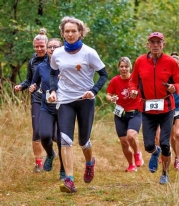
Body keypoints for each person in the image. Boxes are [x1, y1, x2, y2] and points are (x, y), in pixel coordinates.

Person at [48, 16, 108, 193]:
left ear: (80, 32)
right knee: (65, 139)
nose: (70, 34)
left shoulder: (89, 52)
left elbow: (103, 75)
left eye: (74, 31)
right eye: (67, 31)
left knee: (83, 141)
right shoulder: (57, 53)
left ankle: (90, 163)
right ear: (63, 33)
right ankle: (69, 180)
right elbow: (53, 73)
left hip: (85, 100)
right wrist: (53, 91)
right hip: (65, 99)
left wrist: (94, 91)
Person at [129, 32, 179, 184]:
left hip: (166, 108)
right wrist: (133, 91)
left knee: (166, 143)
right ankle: (155, 152)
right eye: (152, 42)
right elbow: (133, 81)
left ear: (163, 44)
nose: (155, 45)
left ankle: (165, 173)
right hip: (147, 109)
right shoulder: (140, 61)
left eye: (158, 42)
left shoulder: (170, 62)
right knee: (148, 145)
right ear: (148, 44)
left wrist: (174, 87)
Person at [29, 38, 65, 180]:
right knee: (44, 135)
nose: (52, 49)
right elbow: (35, 82)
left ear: (61, 49)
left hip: (64, 106)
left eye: (55, 47)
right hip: (46, 105)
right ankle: (50, 154)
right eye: (50, 47)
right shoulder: (41, 67)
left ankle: (63, 170)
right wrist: (33, 87)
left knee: (62, 140)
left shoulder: (66, 65)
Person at [14, 28, 48, 172]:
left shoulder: (52, 59)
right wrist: (21, 86)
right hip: (36, 99)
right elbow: (29, 79)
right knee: (37, 131)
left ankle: (53, 155)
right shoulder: (32, 60)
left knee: (51, 134)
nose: (39, 49)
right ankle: (39, 164)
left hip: (52, 99)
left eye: (42, 46)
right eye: (37, 46)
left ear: (47, 46)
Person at [106, 57, 144, 172]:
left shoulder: (136, 79)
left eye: (126, 66)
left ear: (130, 67)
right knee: (123, 141)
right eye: (121, 66)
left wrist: (136, 94)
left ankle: (137, 153)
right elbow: (108, 94)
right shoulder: (115, 80)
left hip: (135, 112)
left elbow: (144, 92)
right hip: (120, 114)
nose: (123, 69)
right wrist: (111, 98)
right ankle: (131, 164)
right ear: (118, 68)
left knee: (131, 136)